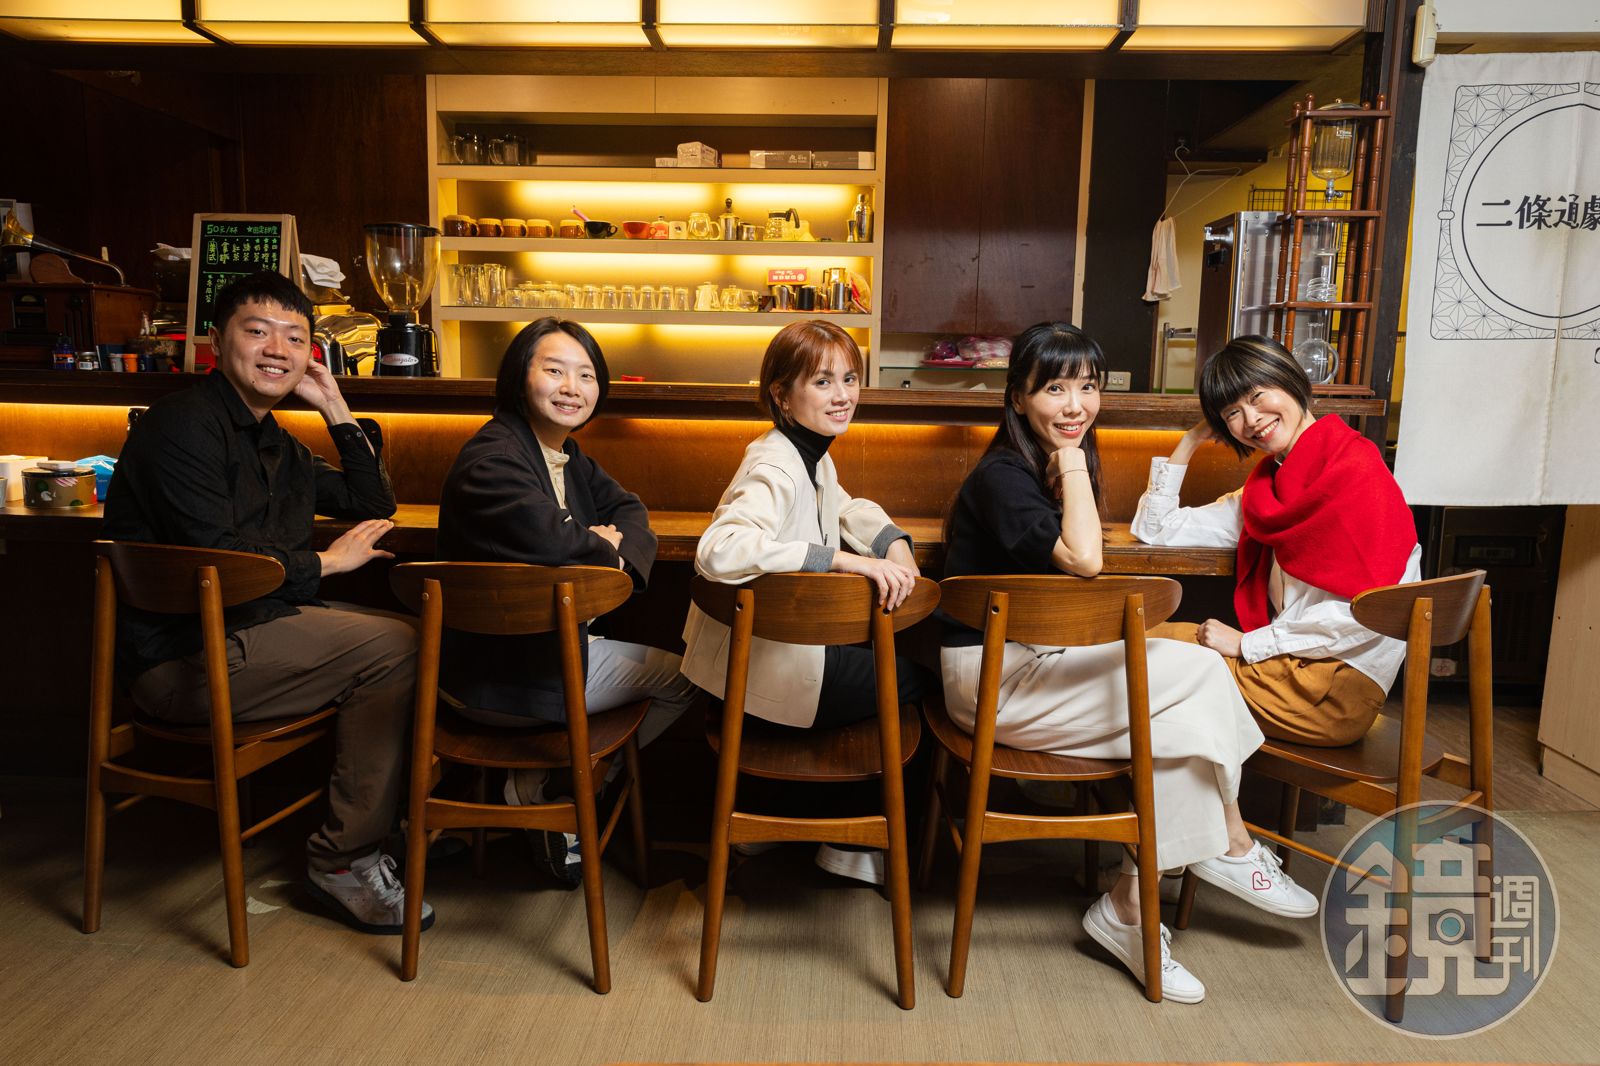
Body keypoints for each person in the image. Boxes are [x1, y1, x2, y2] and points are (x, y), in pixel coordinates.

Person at [939, 322, 1317, 1005]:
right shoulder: (1003, 477)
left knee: (1176, 723)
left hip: (1040, 667)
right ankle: (1230, 843)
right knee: (1201, 670)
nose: (1075, 405)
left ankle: (1128, 906)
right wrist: (1073, 460)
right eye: (1055, 389)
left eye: (1088, 387)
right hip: (995, 685)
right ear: (1018, 397)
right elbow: (1086, 560)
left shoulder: (1036, 465)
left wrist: (1071, 460)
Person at [104, 270, 430, 936]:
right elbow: (218, 560)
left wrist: (335, 406)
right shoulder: (181, 426)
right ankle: (344, 859)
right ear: (215, 342)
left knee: (410, 634)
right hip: (184, 663)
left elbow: (371, 502)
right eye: (257, 331)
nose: (278, 349)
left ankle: (378, 830)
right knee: (398, 647)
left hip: (249, 633)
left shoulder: (274, 439)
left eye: (296, 338)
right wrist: (326, 563)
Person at [435, 317, 696, 887]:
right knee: (686, 680)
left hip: (537, 660)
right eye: (554, 370)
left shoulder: (563, 454)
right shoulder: (493, 458)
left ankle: (548, 786)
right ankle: (563, 791)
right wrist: (596, 545)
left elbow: (629, 509)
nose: (571, 387)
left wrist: (607, 551)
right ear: (518, 376)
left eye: (586, 375)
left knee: (679, 670)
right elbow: (555, 541)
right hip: (504, 676)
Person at [679, 319, 926, 887]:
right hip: (765, 675)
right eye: (822, 381)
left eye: (849, 379)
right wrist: (841, 560)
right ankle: (850, 841)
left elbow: (842, 505)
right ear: (782, 395)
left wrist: (892, 543)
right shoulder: (774, 465)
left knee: (889, 654)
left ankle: (779, 817)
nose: (842, 396)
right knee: (923, 677)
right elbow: (719, 549)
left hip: (761, 665)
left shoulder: (807, 452)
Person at [1131, 334, 1421, 747]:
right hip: (1290, 669)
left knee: (1136, 659)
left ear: (1292, 380)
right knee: (1133, 643)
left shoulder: (1356, 470)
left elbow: (1367, 613)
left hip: (1332, 691)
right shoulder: (1268, 489)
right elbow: (1157, 528)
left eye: (1258, 396)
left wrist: (1248, 643)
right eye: (1232, 413)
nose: (1251, 420)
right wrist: (1190, 440)